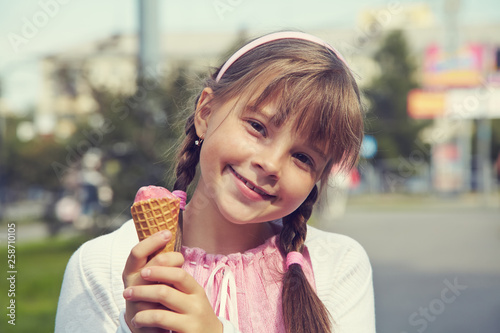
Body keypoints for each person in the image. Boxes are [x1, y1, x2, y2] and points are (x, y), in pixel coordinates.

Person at [55, 31, 375, 333]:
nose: (271, 164)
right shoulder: (102, 265)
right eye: (258, 127)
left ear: (317, 178)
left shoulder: (336, 265)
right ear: (206, 113)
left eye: (304, 158)